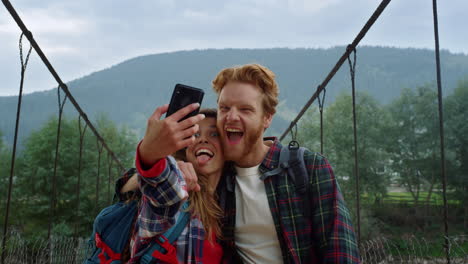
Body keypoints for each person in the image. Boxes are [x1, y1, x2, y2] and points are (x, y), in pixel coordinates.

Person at [209, 63, 361, 263]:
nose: (231, 116)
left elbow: (341, 252)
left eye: (245, 109)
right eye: (224, 108)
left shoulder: (310, 167)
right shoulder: (214, 176)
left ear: (267, 118)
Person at [120, 107, 226, 263]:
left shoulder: (231, 203)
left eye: (214, 134)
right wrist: (150, 154)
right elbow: (160, 184)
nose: (202, 140)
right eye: (195, 134)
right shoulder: (177, 195)